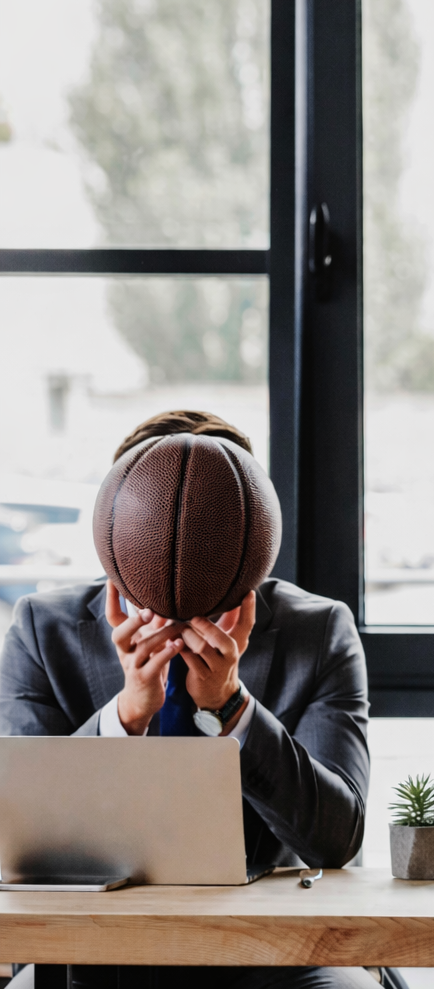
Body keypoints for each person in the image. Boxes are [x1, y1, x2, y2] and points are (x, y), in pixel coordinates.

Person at [0, 410, 375, 989]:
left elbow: (337, 838)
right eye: (160, 517)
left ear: (252, 534)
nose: (183, 541)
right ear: (117, 526)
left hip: (273, 947)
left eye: (209, 527)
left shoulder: (318, 629)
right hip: (91, 953)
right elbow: (25, 846)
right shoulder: (41, 629)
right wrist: (127, 715)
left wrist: (231, 706)